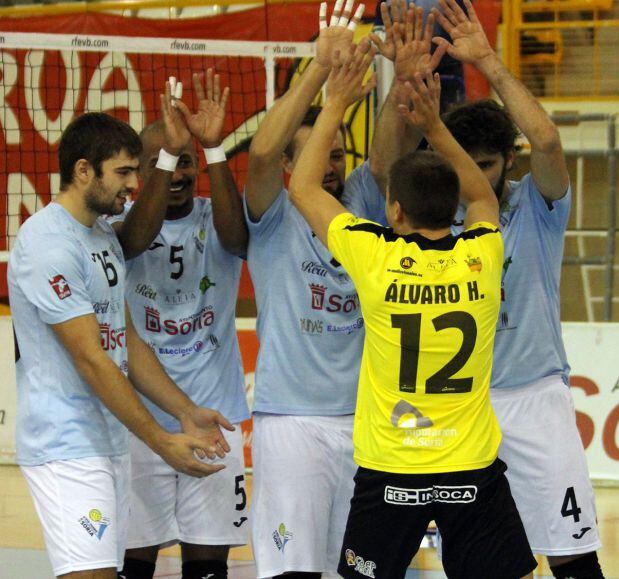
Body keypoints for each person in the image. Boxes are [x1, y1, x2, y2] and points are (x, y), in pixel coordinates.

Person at [353, 1, 604, 577]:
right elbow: (381, 167)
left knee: (573, 554)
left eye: (487, 165)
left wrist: (487, 61)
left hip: (533, 397)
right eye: (465, 163)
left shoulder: (536, 209)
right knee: (468, 567)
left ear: (506, 162)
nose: (476, 179)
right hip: (452, 415)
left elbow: (546, 139)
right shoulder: (431, 216)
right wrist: (405, 79)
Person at [288, 35, 537, 577]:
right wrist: (433, 125)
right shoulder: (482, 252)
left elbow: (304, 187)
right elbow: (484, 199)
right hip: (470, 463)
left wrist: (335, 103)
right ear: (453, 211)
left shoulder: (374, 254)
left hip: (390, 466)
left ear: (394, 211)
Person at [7, 111, 234, 579]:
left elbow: (124, 342)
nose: (134, 185)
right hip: (66, 444)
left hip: (106, 442)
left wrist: (185, 410)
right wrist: (160, 440)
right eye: (124, 173)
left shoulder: (101, 236)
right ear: (83, 170)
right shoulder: (48, 243)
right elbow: (93, 359)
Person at [242, 3, 375, 577]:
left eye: (340, 153)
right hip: (291, 424)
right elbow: (264, 153)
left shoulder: (364, 206)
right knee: (294, 570)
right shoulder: (276, 215)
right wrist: (319, 73)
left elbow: (390, 149)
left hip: (366, 424)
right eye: (322, 155)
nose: (332, 165)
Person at [113, 70, 250, 579]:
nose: (175, 173)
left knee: (208, 566)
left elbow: (238, 240)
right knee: (132, 565)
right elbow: (134, 241)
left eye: (184, 162)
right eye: (161, 162)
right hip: (139, 422)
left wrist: (212, 149)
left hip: (216, 418)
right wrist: (168, 156)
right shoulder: (116, 228)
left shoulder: (218, 217)